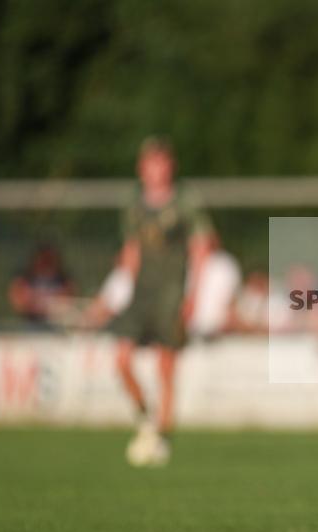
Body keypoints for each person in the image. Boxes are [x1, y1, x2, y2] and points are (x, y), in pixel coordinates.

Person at [113, 137, 213, 466]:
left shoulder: (185, 201)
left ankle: (163, 435)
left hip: (171, 292)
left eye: (163, 161)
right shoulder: (135, 204)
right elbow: (131, 250)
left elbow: (201, 248)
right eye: (152, 163)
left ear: (171, 165)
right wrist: (117, 290)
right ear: (142, 168)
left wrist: (193, 293)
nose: (158, 169)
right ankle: (146, 418)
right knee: (122, 360)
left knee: (165, 365)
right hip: (140, 292)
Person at [8, 243, 75, 326]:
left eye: (49, 258)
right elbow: (19, 303)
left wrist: (39, 303)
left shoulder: (64, 280)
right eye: (43, 258)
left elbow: (67, 302)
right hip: (28, 324)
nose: (46, 262)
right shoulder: (24, 279)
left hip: (57, 324)